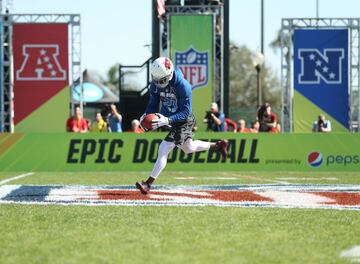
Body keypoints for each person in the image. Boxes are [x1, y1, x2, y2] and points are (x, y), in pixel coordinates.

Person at [135, 57, 228, 194]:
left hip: (183, 119)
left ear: (170, 73)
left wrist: (167, 120)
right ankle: (218, 146)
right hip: (170, 117)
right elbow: (153, 104)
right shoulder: (155, 83)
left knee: (164, 148)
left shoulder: (183, 85)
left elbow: (185, 112)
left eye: (162, 80)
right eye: (157, 80)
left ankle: (148, 184)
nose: (159, 84)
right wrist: (146, 115)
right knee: (188, 148)